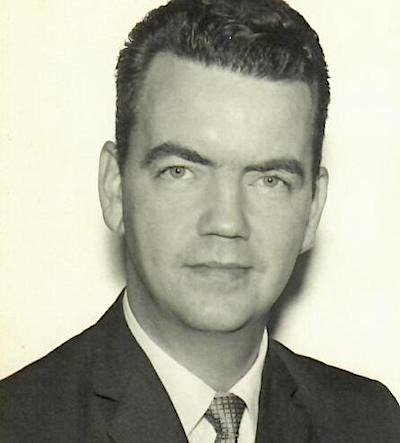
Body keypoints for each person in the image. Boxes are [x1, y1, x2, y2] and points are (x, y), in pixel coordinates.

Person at [1, 0, 399, 441]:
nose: (226, 221)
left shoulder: (372, 423)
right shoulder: (16, 424)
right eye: (181, 171)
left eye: (270, 180)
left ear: (312, 208)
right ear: (115, 188)